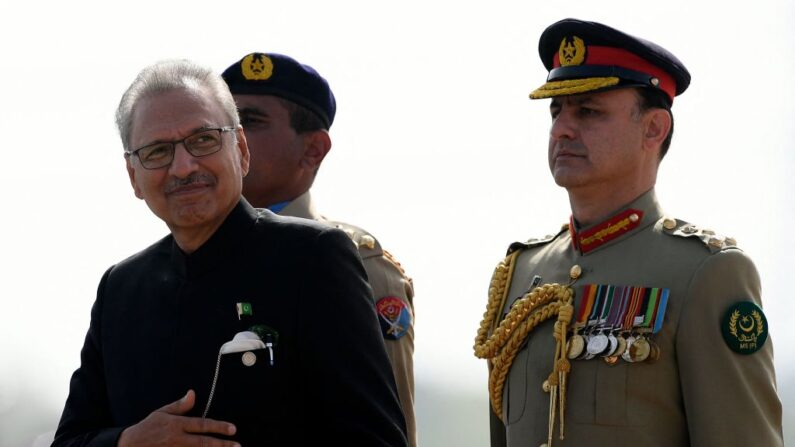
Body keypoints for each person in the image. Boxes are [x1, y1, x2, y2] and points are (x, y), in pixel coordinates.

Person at [53, 59, 408, 446]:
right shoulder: (121, 289)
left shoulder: (313, 260)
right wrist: (128, 442)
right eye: (157, 151)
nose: (183, 167)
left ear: (240, 149)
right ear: (133, 176)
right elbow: (72, 438)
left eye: (203, 140)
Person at [473, 18, 783, 447]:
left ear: (654, 129)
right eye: (556, 111)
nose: (562, 128)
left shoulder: (705, 273)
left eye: (588, 111)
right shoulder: (520, 274)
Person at [221, 52, 417, 446]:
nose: (232, 138)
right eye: (225, 124)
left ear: (313, 150)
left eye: (251, 123)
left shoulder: (358, 264)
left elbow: (389, 428)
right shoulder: (184, 259)